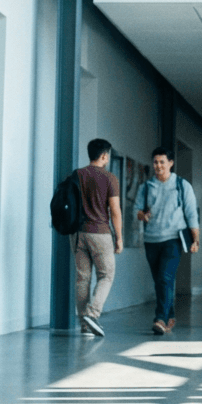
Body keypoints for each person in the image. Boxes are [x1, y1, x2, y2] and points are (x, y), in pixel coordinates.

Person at [135, 147, 200, 335]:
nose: (158, 166)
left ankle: (160, 319)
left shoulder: (182, 185)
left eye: (162, 162)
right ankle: (170, 316)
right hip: (151, 239)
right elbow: (137, 210)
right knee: (161, 281)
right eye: (155, 162)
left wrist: (195, 239)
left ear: (170, 163)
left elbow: (191, 213)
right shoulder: (146, 187)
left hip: (173, 239)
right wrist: (142, 215)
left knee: (165, 278)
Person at [73, 138, 123, 337]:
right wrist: (119, 237)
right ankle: (92, 316)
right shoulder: (109, 178)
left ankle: (85, 326)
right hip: (100, 233)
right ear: (104, 155)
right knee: (106, 274)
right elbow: (115, 211)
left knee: (82, 279)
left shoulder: (77, 175)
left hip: (79, 233)